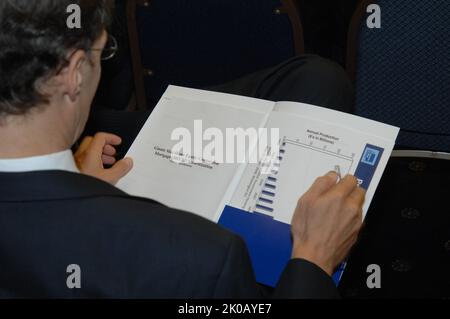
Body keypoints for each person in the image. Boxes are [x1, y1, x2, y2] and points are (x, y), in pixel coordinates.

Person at [0, 0, 365, 298]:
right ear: (75, 72)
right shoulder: (203, 257)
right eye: (103, 52)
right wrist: (314, 262)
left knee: (316, 78)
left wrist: (79, 186)